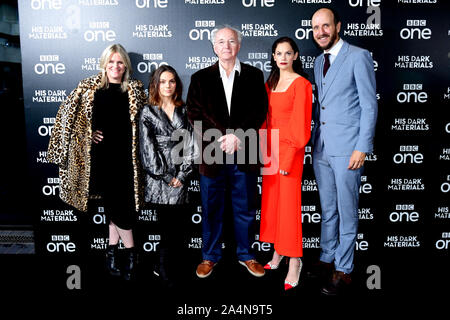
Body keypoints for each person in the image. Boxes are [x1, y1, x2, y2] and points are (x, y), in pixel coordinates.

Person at [47, 44, 147, 281]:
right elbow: (65, 120)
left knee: (118, 206)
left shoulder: (135, 90)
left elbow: (147, 125)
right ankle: (131, 253)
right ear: (104, 64)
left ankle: (112, 251)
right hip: (100, 160)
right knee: (118, 205)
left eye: (120, 62)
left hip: (128, 160)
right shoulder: (87, 89)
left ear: (126, 66)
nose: (115, 66)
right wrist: (86, 133)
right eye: (111, 62)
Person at [186, 25, 268, 278]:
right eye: (221, 42)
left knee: (245, 207)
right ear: (214, 47)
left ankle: (246, 254)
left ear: (239, 46)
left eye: (231, 41)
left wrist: (237, 137)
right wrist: (223, 138)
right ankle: (209, 256)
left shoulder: (254, 76)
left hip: (244, 152)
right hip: (212, 153)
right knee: (211, 208)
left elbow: (259, 111)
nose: (226, 46)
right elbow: (194, 114)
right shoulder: (200, 78)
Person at [310, 7, 378, 295]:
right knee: (328, 210)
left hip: (348, 148)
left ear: (338, 26)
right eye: (315, 28)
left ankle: (344, 269)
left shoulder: (358, 56)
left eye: (326, 26)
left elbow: (369, 105)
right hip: (322, 147)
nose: (320, 32)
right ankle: (327, 258)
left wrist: (362, 147)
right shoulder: (317, 61)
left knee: (346, 211)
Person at [259, 37, 312, 291]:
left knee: (289, 208)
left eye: (287, 53)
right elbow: (264, 121)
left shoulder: (301, 84)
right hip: (270, 153)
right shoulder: (270, 83)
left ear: (295, 56)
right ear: (273, 56)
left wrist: (289, 158)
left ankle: (294, 261)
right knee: (273, 206)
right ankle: (278, 253)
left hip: (290, 152)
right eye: (278, 53)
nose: (282, 57)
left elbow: (300, 126)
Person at [139, 65, 196, 288]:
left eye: (171, 81)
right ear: (156, 84)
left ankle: (171, 265)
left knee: (179, 226)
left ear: (177, 84)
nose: (168, 85)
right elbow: (147, 149)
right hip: (159, 180)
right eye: (163, 81)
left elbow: (191, 145)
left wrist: (181, 175)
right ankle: (161, 267)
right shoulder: (147, 111)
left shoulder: (185, 110)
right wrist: (166, 176)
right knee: (165, 226)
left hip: (181, 177)